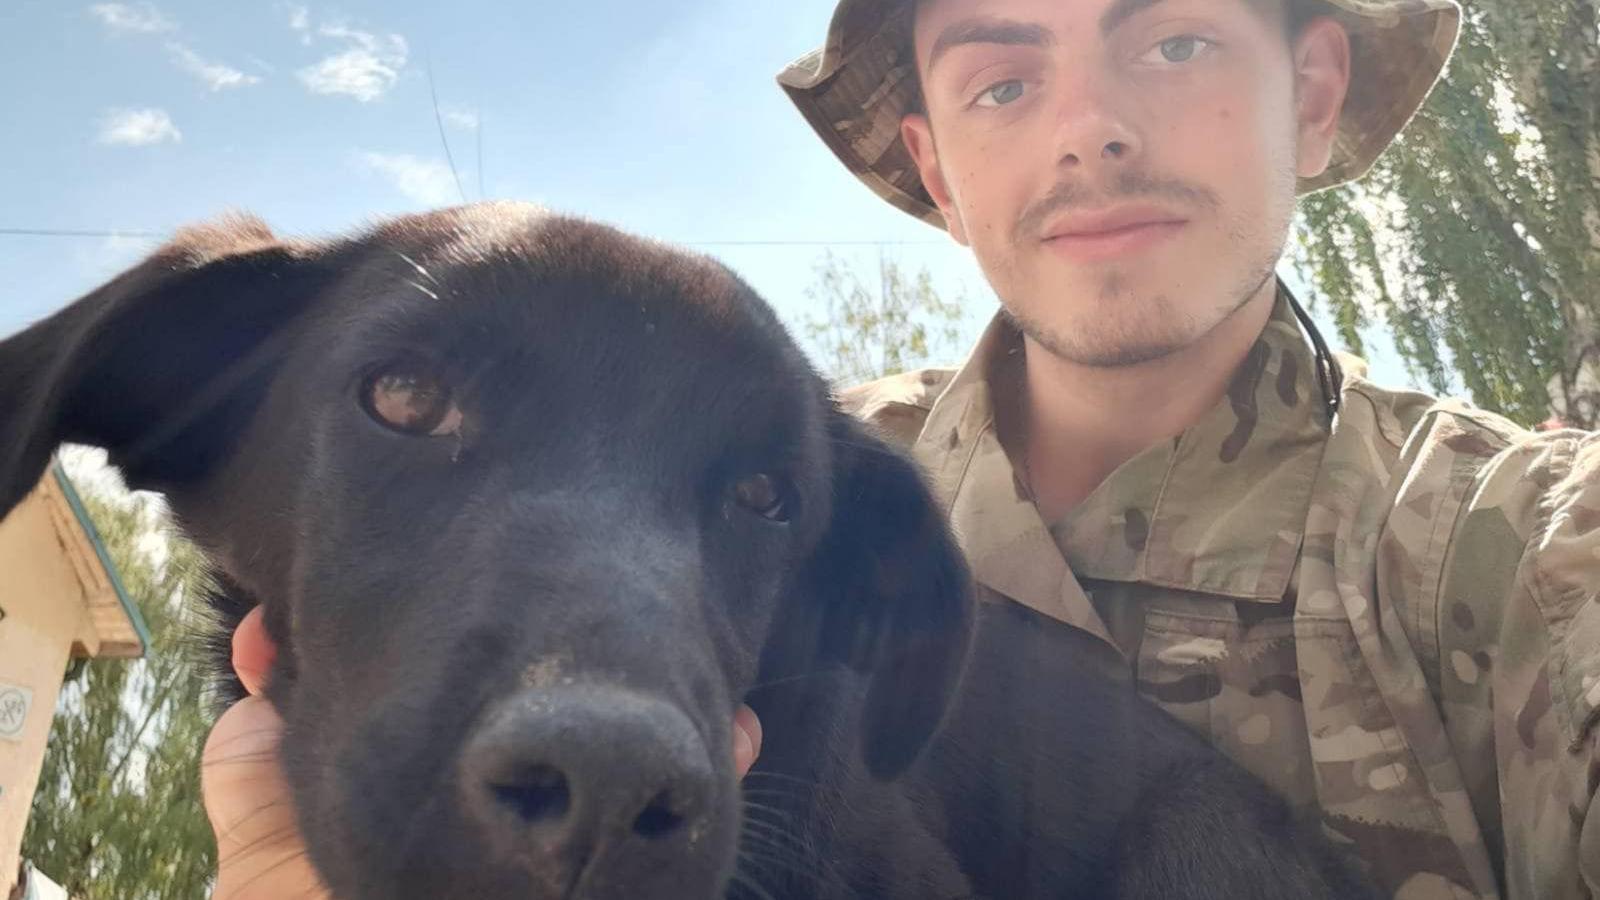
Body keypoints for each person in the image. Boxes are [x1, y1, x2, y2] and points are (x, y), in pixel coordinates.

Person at [205, 0, 1600, 897]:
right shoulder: (773, 469)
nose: (1092, 132)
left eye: (1171, 40)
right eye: (1003, 80)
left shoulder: (1538, 556)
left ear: (1310, 87)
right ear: (937, 167)